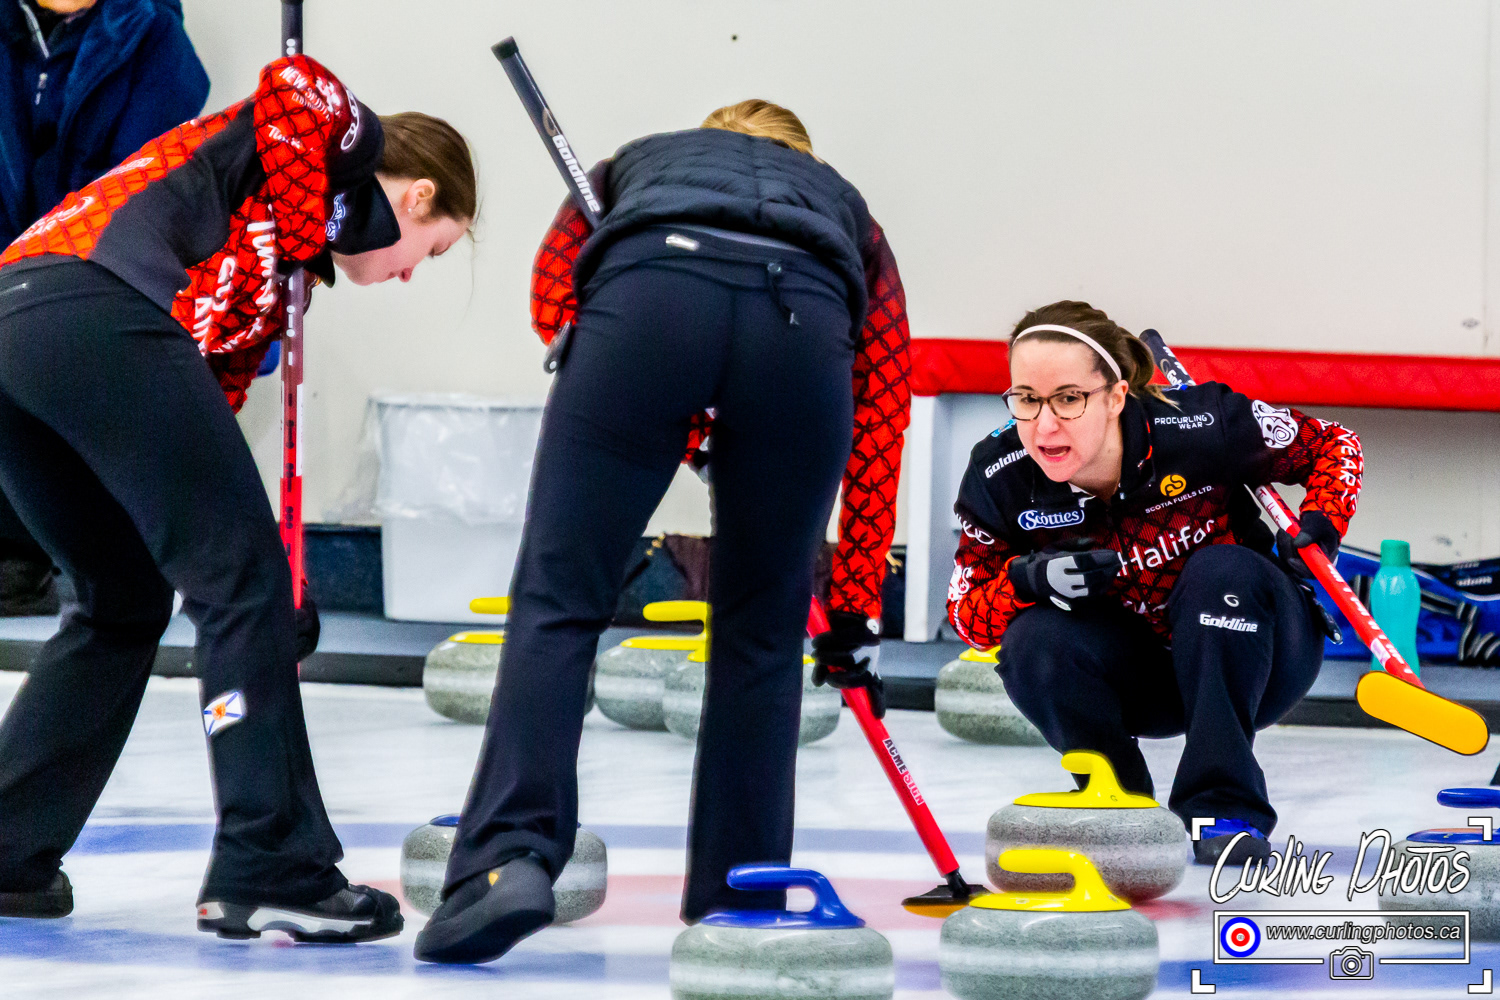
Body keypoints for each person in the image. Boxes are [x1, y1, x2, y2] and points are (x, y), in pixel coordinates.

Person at [415, 99, 910, 964]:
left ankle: (507, 862)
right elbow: (882, 411)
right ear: (800, 158)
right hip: (805, 329)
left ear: (709, 135)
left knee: (560, 598)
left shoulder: (633, 166)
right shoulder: (846, 208)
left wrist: (668, 422)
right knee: (762, 631)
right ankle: (742, 885)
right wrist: (856, 604)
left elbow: (554, 299)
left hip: (649, 297)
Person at [0, 54, 477, 942]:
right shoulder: (344, 144)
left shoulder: (272, 277)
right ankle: (273, 862)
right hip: (90, 298)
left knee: (123, 599)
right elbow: (292, 83)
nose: (412, 274)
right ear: (415, 201)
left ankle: (5, 848)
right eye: (433, 250)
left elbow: (196, 406)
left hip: (23, 327)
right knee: (238, 581)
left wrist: (259, 573)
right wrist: (253, 578)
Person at [946, 301, 1362, 866]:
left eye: (1069, 399)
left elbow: (1336, 446)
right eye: (1026, 399)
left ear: (1116, 396)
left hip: (1257, 654)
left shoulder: (1201, 425)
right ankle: (1115, 799)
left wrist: (1321, 525)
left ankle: (1222, 805)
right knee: (1031, 640)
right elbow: (967, 613)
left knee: (1222, 570)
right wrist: (1028, 582)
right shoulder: (1001, 474)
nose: (1044, 426)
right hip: (1141, 677)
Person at [0, 0, 210, 612]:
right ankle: (17, 552)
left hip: (89, 263)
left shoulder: (153, 37)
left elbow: (140, 181)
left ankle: (95, 556)